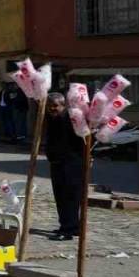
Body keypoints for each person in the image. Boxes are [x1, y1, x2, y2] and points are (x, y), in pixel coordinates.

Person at [43, 92, 84, 241]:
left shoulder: (69, 119)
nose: (52, 109)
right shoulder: (52, 118)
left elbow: (82, 140)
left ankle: (68, 229)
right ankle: (69, 225)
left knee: (69, 196)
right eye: (49, 106)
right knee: (60, 195)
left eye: (55, 106)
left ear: (63, 105)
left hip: (70, 163)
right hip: (58, 162)